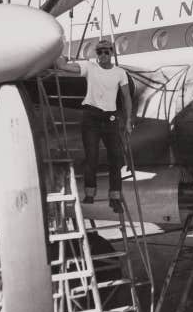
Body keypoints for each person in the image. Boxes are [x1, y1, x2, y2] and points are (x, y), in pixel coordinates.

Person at [55, 39, 134, 212]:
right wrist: (62, 57)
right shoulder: (90, 67)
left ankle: (115, 198)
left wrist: (128, 120)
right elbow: (63, 66)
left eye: (106, 51)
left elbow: (126, 97)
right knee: (92, 157)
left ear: (111, 52)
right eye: (99, 52)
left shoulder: (120, 73)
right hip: (91, 117)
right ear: (96, 54)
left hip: (110, 118)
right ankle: (90, 193)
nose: (103, 55)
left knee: (116, 158)